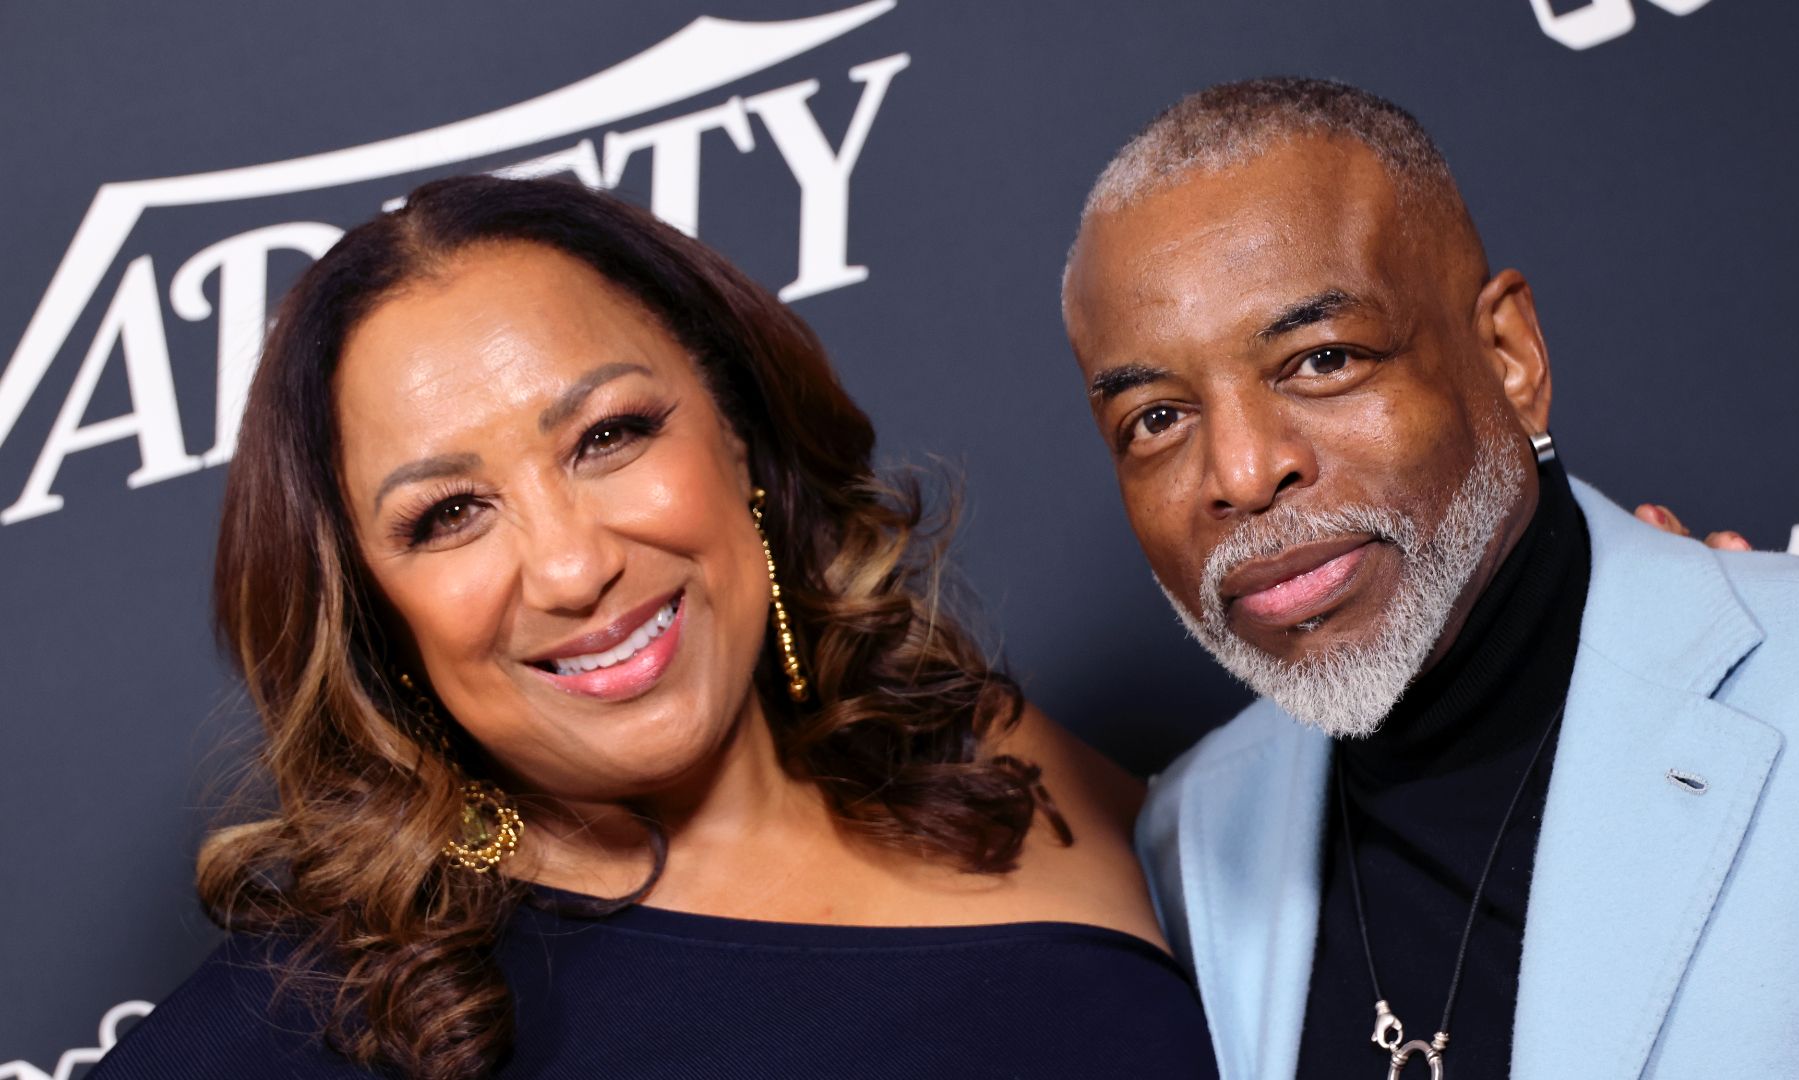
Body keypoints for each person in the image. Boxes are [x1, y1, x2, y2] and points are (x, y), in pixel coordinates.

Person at [94, 176, 1217, 1079]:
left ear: (737, 430)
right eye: (448, 516)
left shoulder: (989, 756)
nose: (575, 566)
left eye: (610, 436)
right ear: (373, 612)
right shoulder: (306, 1030)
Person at [1062, 77, 1799, 1080]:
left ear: (1508, 355)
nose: (1244, 475)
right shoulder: (1188, 844)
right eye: (1156, 420)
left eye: (1322, 358)